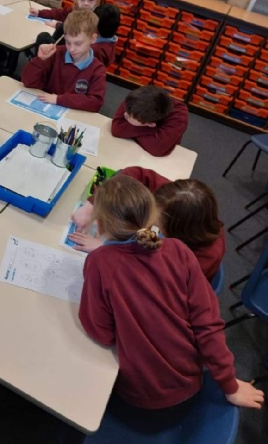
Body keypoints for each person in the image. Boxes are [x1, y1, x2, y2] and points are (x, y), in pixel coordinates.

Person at [79, 175, 264, 415]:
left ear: (100, 225)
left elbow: (101, 333)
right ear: (154, 216)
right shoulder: (180, 249)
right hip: (191, 380)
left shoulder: (99, 263)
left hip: (139, 395)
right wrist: (230, 385)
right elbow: (208, 324)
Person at [70, 167, 225, 282]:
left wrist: (109, 249)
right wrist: (92, 204)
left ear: (176, 232)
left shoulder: (198, 260)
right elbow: (133, 174)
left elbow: (148, 280)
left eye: (156, 219)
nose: (150, 218)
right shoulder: (178, 197)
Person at [21, 9, 106, 113]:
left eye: (78, 44)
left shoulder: (97, 70)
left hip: (72, 115)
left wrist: (59, 99)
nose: (72, 49)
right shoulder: (55, 53)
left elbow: (95, 102)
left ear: (93, 39)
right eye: (68, 42)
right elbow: (27, 82)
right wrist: (39, 60)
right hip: (45, 109)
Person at [111, 85, 189, 157]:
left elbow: (157, 149)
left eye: (129, 117)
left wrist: (129, 130)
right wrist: (155, 133)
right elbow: (117, 128)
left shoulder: (179, 116)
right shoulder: (135, 99)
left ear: (150, 124)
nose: (124, 114)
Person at [30, 0, 103, 29]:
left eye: (90, 0)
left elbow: (77, 30)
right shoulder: (73, 10)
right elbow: (58, 13)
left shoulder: (95, 18)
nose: (86, 3)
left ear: (96, 1)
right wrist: (39, 13)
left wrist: (58, 25)